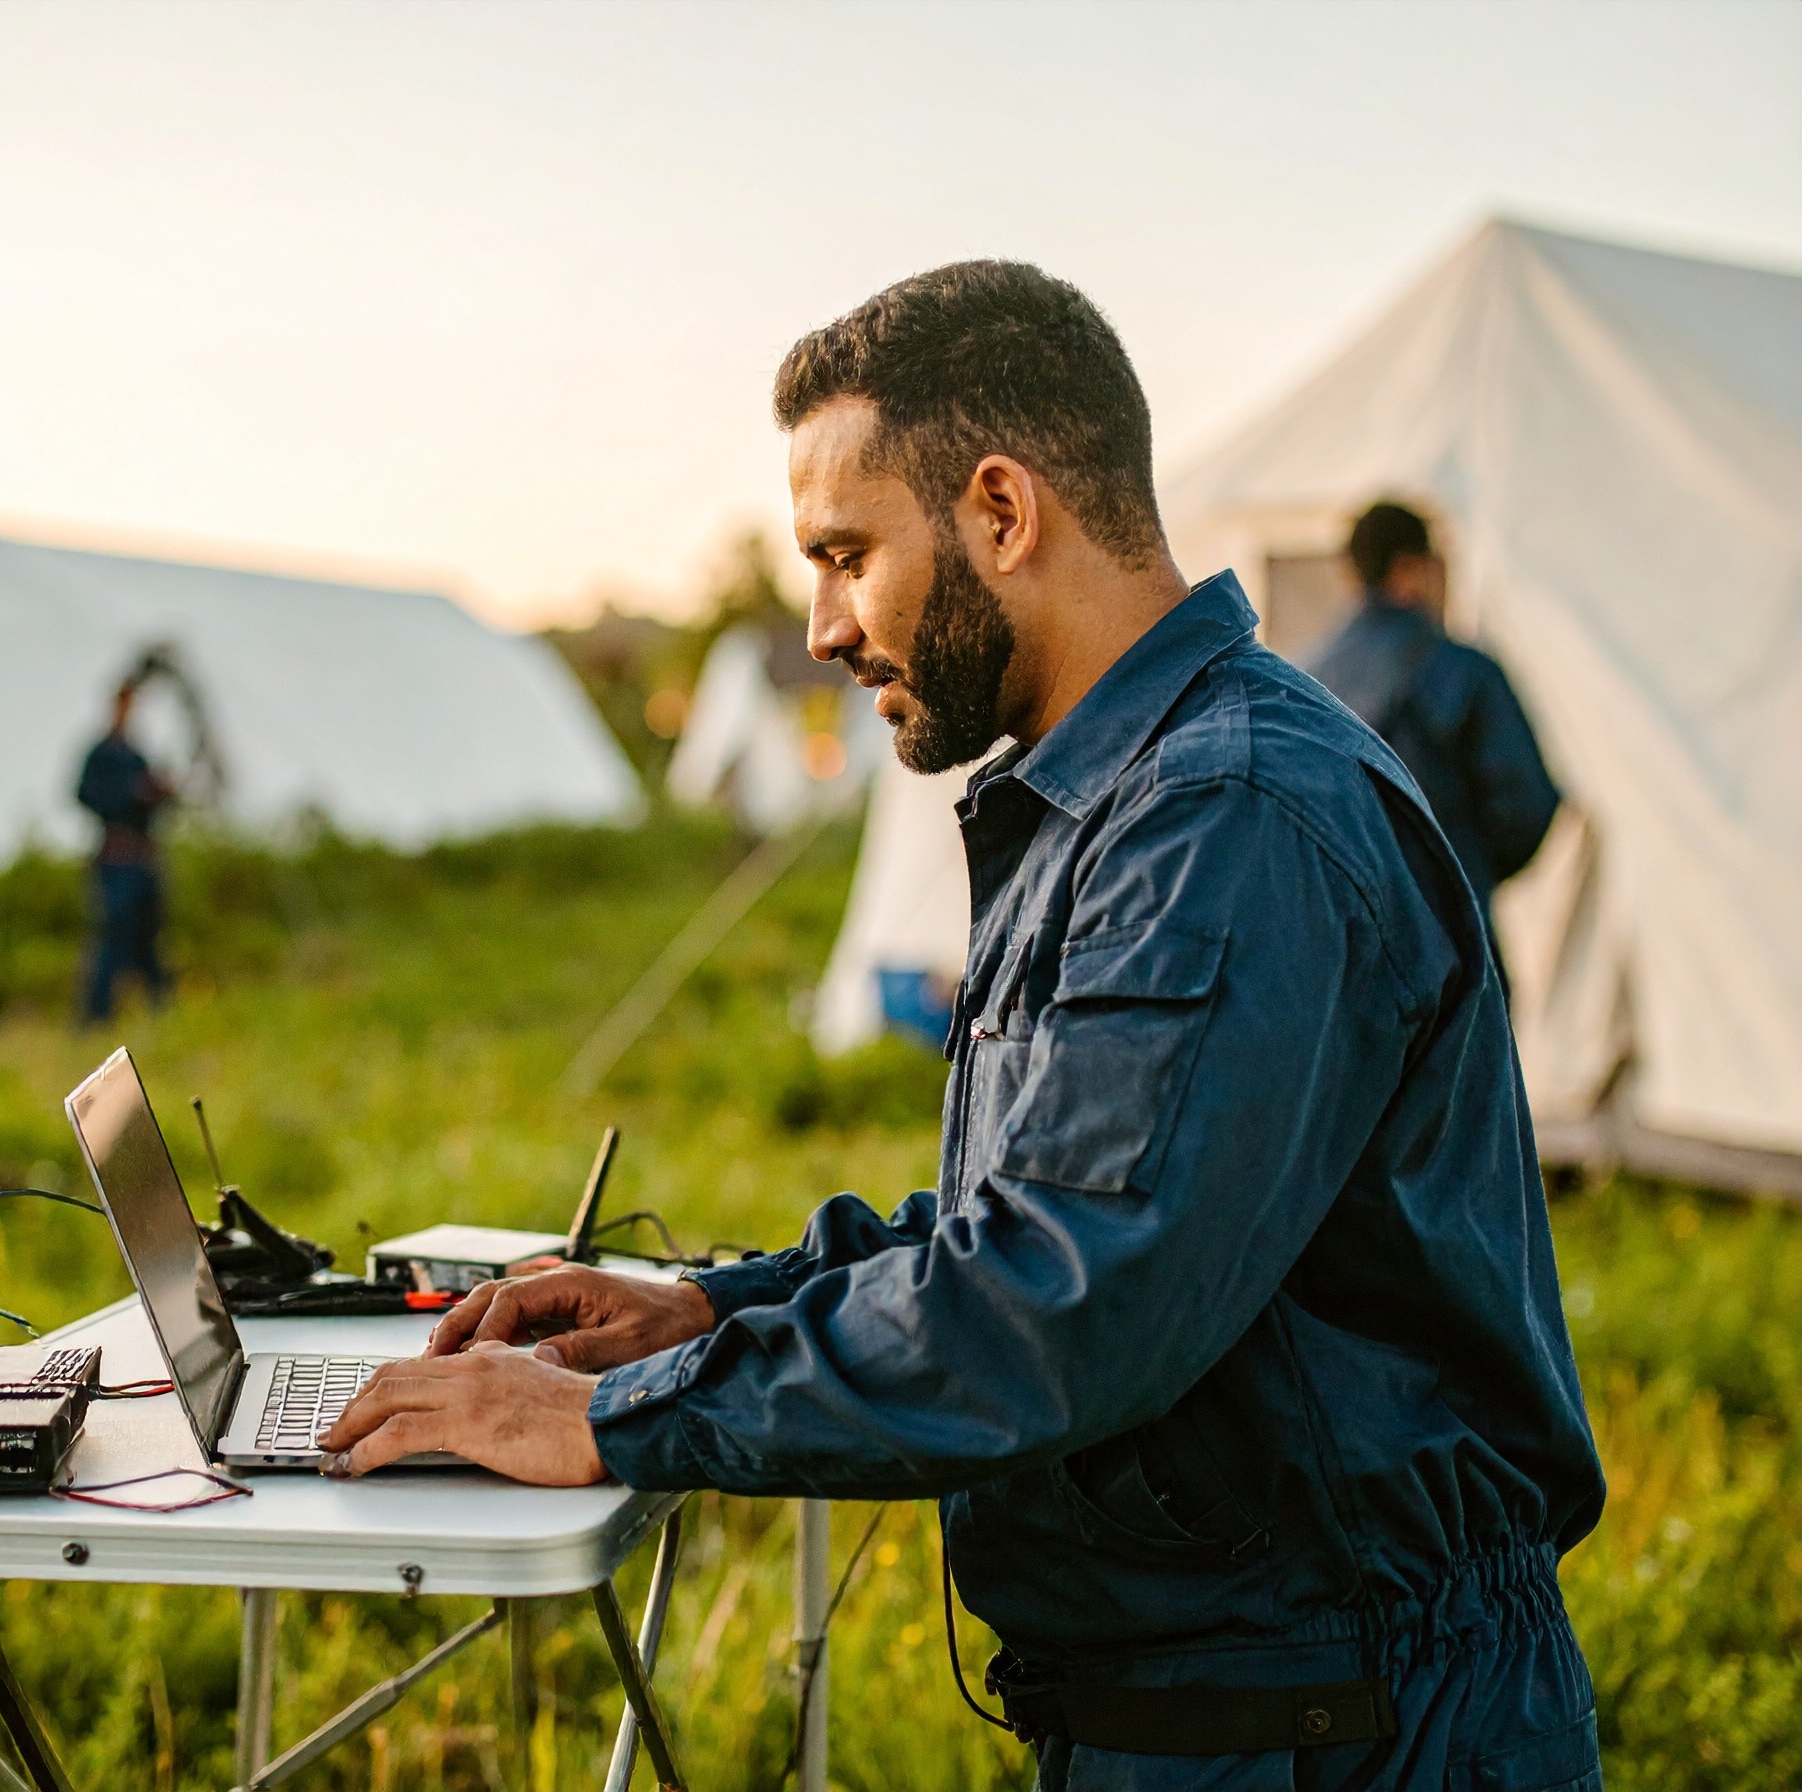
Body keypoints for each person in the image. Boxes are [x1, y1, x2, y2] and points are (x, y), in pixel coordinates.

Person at [319, 263, 1605, 1790]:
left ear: (1000, 509)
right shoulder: (1119, 799)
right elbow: (1043, 1212)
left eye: (845, 556)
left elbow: (1057, 1307)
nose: (821, 628)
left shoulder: (1227, 816)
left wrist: (620, 1418)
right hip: (1250, 1700)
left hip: (1343, 1731)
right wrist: (709, 1311)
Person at [1304, 502, 1560, 928]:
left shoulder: (1306, 680)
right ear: (1410, 569)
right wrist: (1464, 868)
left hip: (1343, 936)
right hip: (1449, 928)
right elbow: (1527, 804)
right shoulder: (1462, 670)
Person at [75, 680, 174, 1023]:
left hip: (144, 858)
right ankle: (96, 1016)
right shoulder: (101, 754)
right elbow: (85, 796)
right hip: (115, 860)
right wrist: (130, 793)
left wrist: (159, 792)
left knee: (148, 936)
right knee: (114, 935)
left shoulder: (137, 755)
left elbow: (154, 802)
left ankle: (161, 1009)